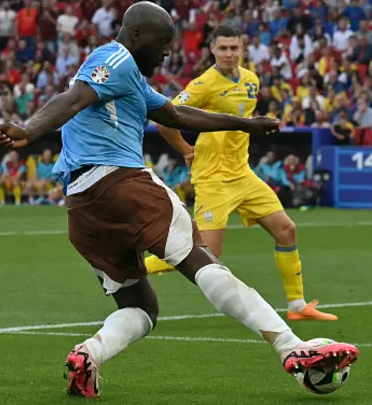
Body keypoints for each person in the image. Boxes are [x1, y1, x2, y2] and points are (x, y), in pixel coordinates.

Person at [0, 2, 358, 398]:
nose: (168, 52)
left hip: (82, 208)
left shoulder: (132, 81)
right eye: (162, 42)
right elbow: (73, 97)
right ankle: (292, 347)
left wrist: (247, 124)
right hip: (121, 182)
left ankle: (88, 355)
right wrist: (29, 129)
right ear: (134, 36)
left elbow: (178, 116)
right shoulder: (113, 57)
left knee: (142, 309)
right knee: (203, 261)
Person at [144, 25, 338, 321]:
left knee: (286, 230)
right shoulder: (204, 84)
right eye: (223, 48)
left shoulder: (251, 80)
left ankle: (297, 305)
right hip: (213, 177)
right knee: (206, 254)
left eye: (234, 48)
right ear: (212, 50)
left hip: (243, 174)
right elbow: (163, 120)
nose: (229, 54)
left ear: (242, 49)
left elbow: (239, 124)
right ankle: (137, 267)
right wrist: (185, 150)